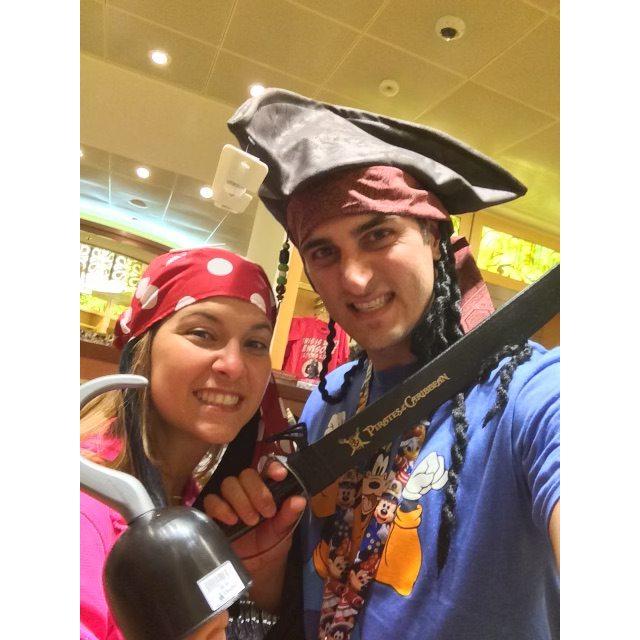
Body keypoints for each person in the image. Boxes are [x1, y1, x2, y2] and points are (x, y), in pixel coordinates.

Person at [206, 89, 559, 640]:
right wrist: (268, 569)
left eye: (378, 234)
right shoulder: (330, 400)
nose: (354, 279)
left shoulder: (527, 394)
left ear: (434, 236)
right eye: (324, 252)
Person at [80, 247, 305, 640]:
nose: (233, 364)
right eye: (202, 333)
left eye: (255, 343)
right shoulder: (83, 509)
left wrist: (264, 577)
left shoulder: (184, 500)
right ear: (143, 347)